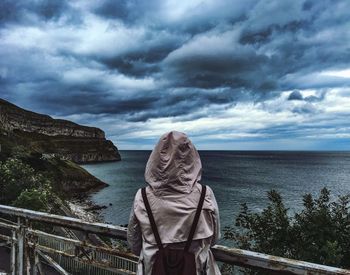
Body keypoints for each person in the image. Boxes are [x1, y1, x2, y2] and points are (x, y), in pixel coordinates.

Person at [127, 131, 221, 275]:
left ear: (155, 159)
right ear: (192, 158)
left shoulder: (143, 196)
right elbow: (214, 239)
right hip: (198, 270)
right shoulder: (205, 194)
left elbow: (134, 243)